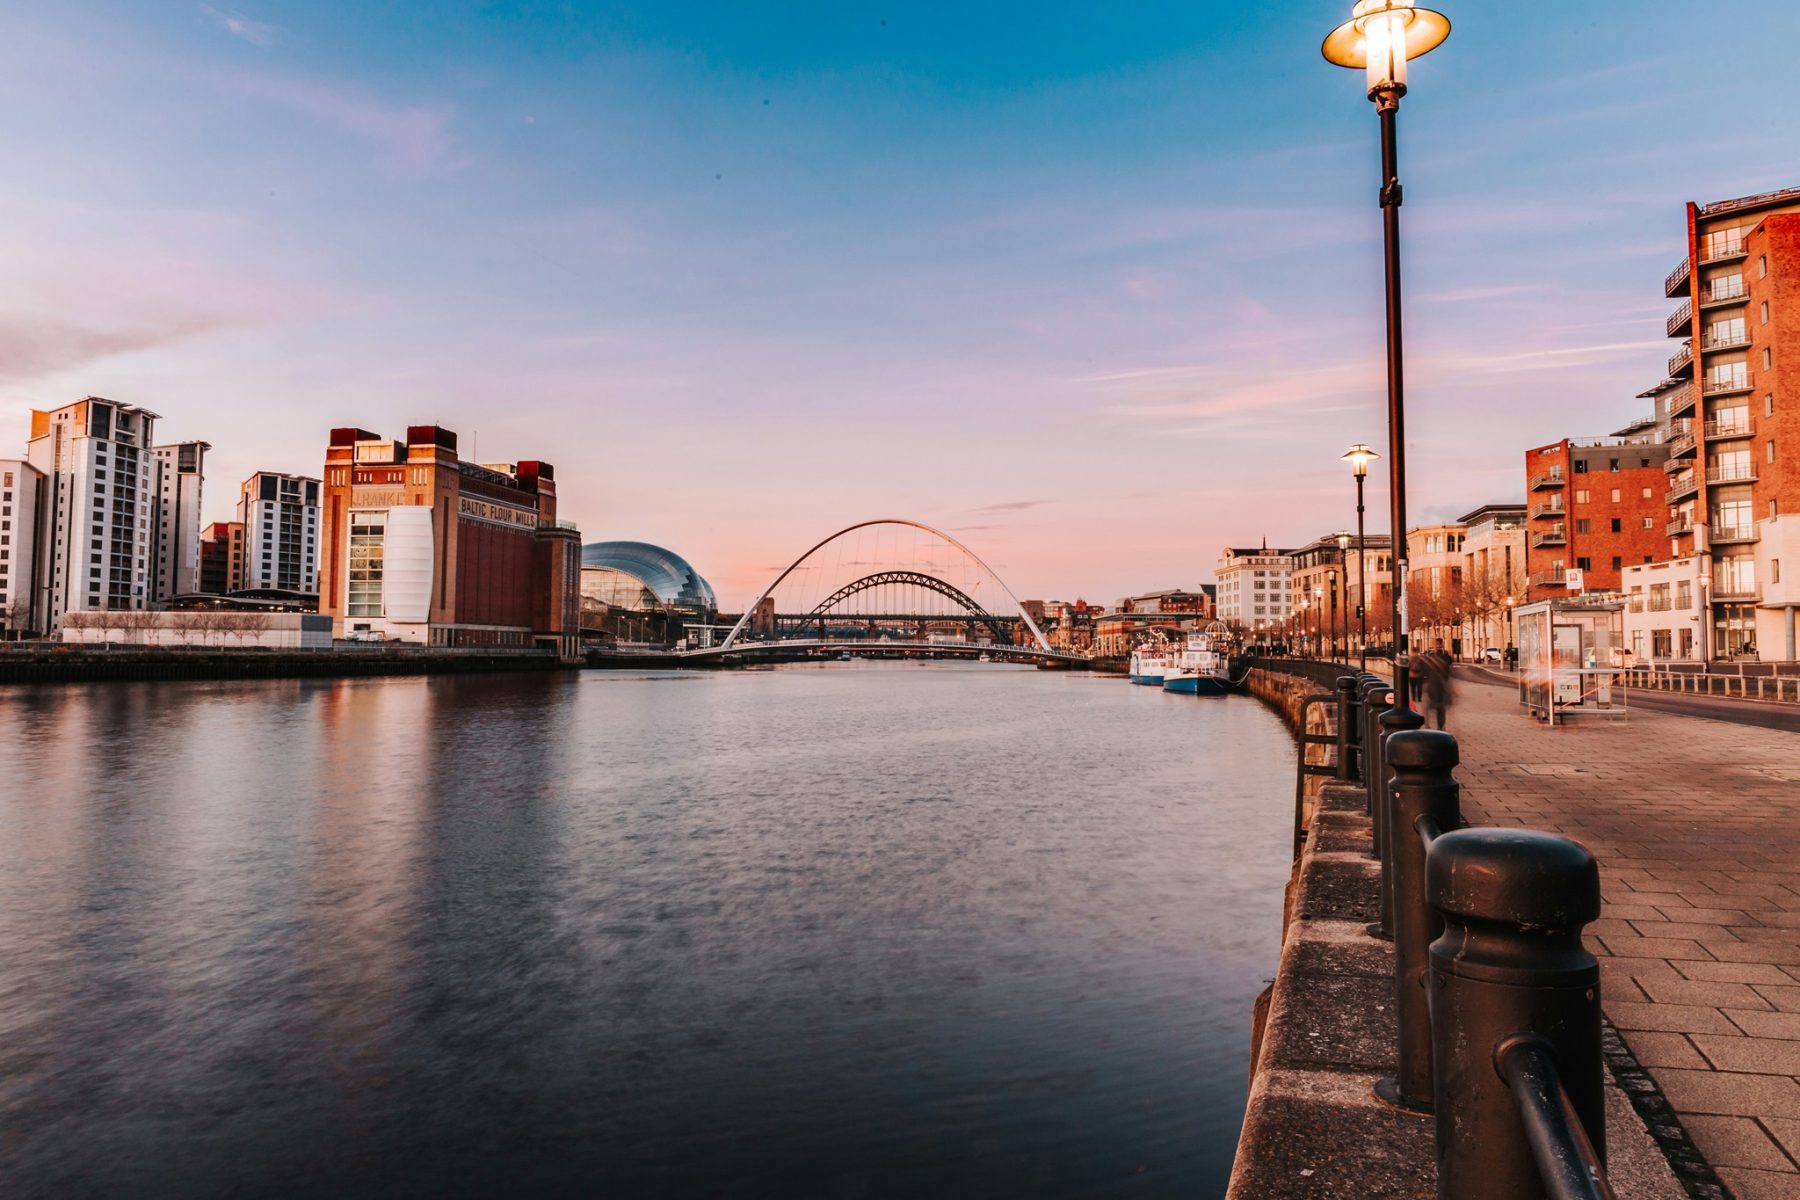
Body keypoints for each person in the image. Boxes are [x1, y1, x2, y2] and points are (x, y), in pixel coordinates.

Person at [1418, 638, 1455, 730]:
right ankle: (1441, 727)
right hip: (1442, 686)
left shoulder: (1429, 659)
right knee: (1441, 709)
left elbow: (1423, 673)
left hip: (1432, 686)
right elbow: (1449, 671)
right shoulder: (1447, 657)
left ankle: (1428, 726)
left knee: (1428, 708)